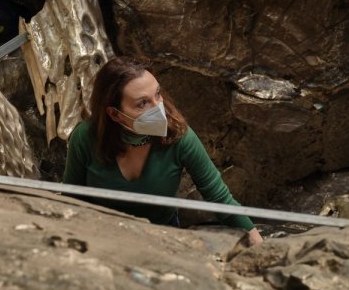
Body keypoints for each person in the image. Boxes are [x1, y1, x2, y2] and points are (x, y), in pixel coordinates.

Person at [63, 55, 263, 245]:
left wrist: (260, 248)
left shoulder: (179, 136)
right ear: (115, 114)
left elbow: (220, 200)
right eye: (142, 103)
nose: (158, 107)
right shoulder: (85, 138)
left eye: (157, 94)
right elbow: (72, 199)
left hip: (163, 238)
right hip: (102, 235)